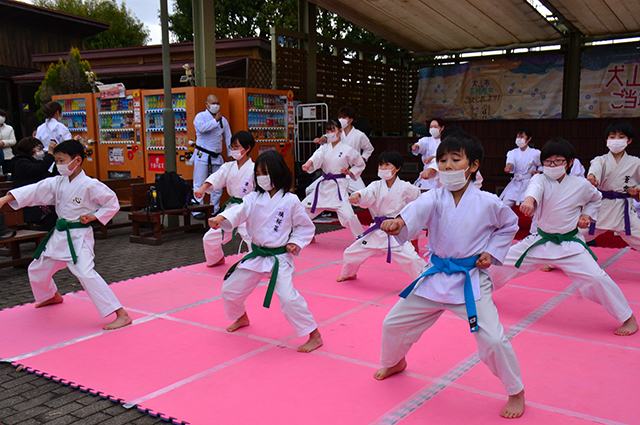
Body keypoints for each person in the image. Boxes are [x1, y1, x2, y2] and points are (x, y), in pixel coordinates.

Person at [374, 133, 525, 419]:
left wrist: (491, 254)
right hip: (435, 276)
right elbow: (416, 210)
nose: (447, 167)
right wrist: (399, 222)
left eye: (456, 160)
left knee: (493, 340)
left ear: (473, 165)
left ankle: (515, 390)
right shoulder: (433, 197)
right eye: (442, 161)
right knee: (393, 323)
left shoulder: (488, 202)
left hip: (469, 278)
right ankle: (395, 362)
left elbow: (509, 226)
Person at [489, 137, 637, 336]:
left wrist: (586, 215)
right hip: (539, 242)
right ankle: (480, 293)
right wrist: (530, 202)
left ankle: (627, 317)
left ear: (569, 162)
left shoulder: (580, 184)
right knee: (500, 262)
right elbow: (534, 191)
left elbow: (596, 198)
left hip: (570, 245)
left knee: (596, 277)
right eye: (548, 161)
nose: (552, 165)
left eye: (557, 160)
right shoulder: (539, 179)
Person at [0, 140, 132, 330]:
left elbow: (112, 203)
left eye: (62, 160)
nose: (59, 165)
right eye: (57, 160)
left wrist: (94, 216)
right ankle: (50, 296)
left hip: (78, 237)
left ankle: (121, 313)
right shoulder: (58, 182)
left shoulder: (90, 185)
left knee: (85, 273)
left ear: (77, 161)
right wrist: (6, 198)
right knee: (37, 269)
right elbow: (34, 190)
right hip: (60, 235)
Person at [208, 150, 323, 352]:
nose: (262, 177)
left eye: (266, 172)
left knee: (288, 297)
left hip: (279, 257)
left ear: (278, 173)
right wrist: (222, 218)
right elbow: (238, 211)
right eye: (259, 172)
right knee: (230, 289)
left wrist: (295, 242)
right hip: (257, 255)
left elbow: (305, 227)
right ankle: (241, 316)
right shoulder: (253, 198)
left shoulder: (290, 200)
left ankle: (314, 334)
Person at [337, 150, 426, 282]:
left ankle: (425, 280)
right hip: (378, 230)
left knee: (412, 259)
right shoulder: (376, 186)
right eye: (381, 165)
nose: (383, 168)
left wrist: (412, 226)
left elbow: (420, 202)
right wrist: (358, 196)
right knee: (351, 253)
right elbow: (367, 193)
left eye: (387, 165)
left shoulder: (406, 187)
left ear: (397, 168)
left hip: (396, 230)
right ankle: (349, 273)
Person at [195, 131, 255, 267]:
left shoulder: (254, 169)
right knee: (209, 238)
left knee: (253, 239)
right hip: (230, 210)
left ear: (247, 148)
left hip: (248, 209)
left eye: (236, 147)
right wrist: (202, 189)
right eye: (232, 147)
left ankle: (265, 264)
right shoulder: (228, 167)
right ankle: (216, 259)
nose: (233, 150)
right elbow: (216, 177)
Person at [301, 119, 365, 239]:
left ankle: (361, 237)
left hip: (338, 187)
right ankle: (308, 234)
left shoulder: (347, 149)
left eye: (332, 130)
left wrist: (350, 171)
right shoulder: (324, 148)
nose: (330, 133)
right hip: (324, 186)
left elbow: (360, 164)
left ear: (340, 131)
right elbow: (317, 156)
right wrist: (308, 163)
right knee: (302, 210)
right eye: (328, 131)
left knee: (349, 216)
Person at [581, 121, 640, 251]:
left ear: (629, 140)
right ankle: (552, 259)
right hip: (601, 206)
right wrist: (592, 177)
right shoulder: (600, 160)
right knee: (575, 235)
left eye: (621, 137)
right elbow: (594, 170)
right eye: (612, 137)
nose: (616, 140)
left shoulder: (636, 163)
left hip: (623, 209)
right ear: (607, 140)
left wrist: (637, 192)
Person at [308, 106, 374, 195]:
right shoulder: (337, 133)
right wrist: (321, 139)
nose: (340, 119)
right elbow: (327, 137)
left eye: (343, 117)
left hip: (350, 173)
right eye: (339, 117)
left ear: (350, 120)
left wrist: (362, 158)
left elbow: (369, 149)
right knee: (310, 190)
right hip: (333, 173)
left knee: (363, 194)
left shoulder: (359, 135)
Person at [192, 94, 232, 216]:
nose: (215, 105)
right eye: (213, 103)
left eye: (217, 103)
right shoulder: (200, 117)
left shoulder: (223, 120)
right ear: (207, 104)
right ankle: (197, 210)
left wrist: (230, 153)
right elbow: (202, 129)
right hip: (202, 155)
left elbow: (228, 136)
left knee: (217, 183)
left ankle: (214, 209)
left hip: (216, 155)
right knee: (200, 182)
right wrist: (215, 121)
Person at [11, 137, 57, 230]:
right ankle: (50, 240)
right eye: (39, 149)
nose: (42, 152)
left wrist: (58, 161)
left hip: (39, 200)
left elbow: (50, 177)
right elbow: (39, 169)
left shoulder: (34, 162)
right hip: (29, 204)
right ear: (29, 149)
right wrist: (50, 154)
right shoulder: (21, 162)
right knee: (52, 215)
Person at [500, 129, 541, 207]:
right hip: (515, 183)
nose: (519, 139)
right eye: (518, 136)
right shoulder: (512, 152)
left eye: (522, 137)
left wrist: (538, 171)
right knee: (504, 205)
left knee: (531, 206)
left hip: (528, 183)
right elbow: (510, 161)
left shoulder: (535, 153)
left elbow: (541, 165)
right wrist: (508, 167)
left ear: (529, 139)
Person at [412, 118, 444, 191]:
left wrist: (431, 158)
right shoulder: (427, 140)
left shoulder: (445, 142)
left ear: (442, 128)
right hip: (426, 173)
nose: (433, 129)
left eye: (435, 127)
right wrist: (417, 146)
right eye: (431, 127)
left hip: (440, 173)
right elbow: (422, 143)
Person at [0, 109, 17, 177]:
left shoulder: (9, 128)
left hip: (7, 156)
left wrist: (3, 143)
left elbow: (13, 141)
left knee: (8, 174)